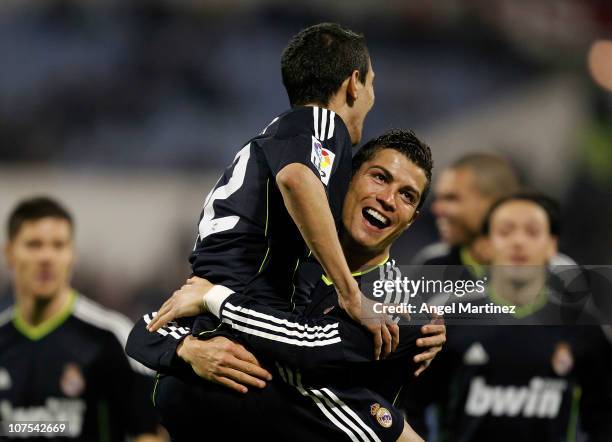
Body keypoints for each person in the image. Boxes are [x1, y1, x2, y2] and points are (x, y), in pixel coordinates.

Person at [128, 130, 445, 441]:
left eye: (407, 196)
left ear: (412, 219)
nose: (388, 199)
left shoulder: (400, 301)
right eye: (380, 177)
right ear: (347, 178)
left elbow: (305, 351)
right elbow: (146, 333)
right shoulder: (287, 259)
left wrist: (216, 299)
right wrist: (189, 350)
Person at [402, 192, 612, 441]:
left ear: (551, 245)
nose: (518, 242)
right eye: (506, 231)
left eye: (532, 232)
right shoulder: (448, 319)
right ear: (487, 244)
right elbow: (409, 405)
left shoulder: (583, 328)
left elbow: (604, 418)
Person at [0, 197, 163, 441]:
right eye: (34, 245)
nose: (46, 257)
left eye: (58, 245)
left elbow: (148, 433)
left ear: (72, 254)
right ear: (10, 253)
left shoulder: (111, 337)